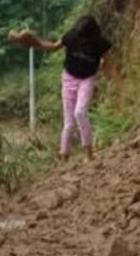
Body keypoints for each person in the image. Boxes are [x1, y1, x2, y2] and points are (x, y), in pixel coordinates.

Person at [26, 14, 112, 161]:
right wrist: (35, 42)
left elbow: (110, 60)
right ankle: (64, 156)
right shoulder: (72, 36)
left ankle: (89, 154)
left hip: (87, 79)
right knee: (68, 123)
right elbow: (53, 47)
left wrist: (104, 68)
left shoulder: (100, 43)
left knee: (80, 113)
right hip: (69, 78)